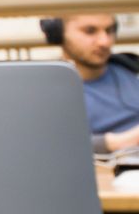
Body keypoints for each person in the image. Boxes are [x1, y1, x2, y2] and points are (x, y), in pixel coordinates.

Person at [41, 14, 139, 153]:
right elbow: (52, 144)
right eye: (90, 31)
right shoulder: (47, 90)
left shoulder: (128, 67)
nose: (104, 42)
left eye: (109, 30)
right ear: (57, 33)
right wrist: (120, 141)